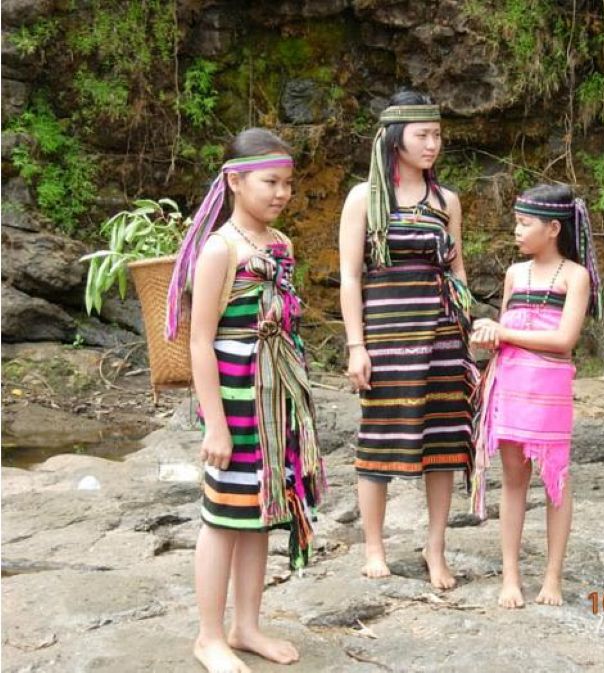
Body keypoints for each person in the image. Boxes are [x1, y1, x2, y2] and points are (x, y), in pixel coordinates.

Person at [167, 128, 326, 672]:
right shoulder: (221, 248)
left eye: (287, 183)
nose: (281, 193)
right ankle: (209, 635)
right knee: (222, 516)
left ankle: (247, 626)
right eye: (270, 182)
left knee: (261, 510)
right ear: (235, 181)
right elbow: (200, 341)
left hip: (274, 401)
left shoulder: (281, 244)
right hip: (234, 401)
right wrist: (215, 423)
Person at [338, 91, 476, 589]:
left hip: (441, 334)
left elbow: (457, 270)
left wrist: (468, 328)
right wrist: (356, 346)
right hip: (386, 334)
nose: (432, 144)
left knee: (443, 441)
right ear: (396, 138)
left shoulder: (446, 201)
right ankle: (374, 546)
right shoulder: (364, 197)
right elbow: (351, 276)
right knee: (379, 437)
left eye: (437, 135)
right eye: (423, 135)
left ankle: (435, 548)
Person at [469, 183, 602, 608]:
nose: (517, 231)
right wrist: (489, 335)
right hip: (511, 383)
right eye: (517, 222)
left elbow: (564, 340)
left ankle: (552, 577)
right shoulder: (515, 273)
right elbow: (505, 331)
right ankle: (510, 575)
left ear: (553, 228)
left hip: (549, 388)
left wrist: (504, 332)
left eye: (525, 224)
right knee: (513, 480)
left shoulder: (575, 276)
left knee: (555, 481)